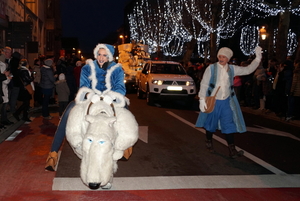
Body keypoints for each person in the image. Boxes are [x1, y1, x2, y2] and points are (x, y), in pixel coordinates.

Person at [45, 43, 126, 171]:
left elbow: (120, 87)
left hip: (110, 99)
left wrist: (111, 96)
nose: (101, 57)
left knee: (126, 112)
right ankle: (53, 154)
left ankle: (126, 146)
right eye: (99, 54)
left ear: (109, 56)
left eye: (104, 55)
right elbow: (83, 86)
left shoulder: (117, 69)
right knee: (68, 113)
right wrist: (90, 94)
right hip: (90, 98)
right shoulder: (88, 68)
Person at [195, 46, 262, 158]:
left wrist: (258, 58)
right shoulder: (211, 68)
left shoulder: (232, 69)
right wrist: (202, 99)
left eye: (224, 57)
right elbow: (204, 83)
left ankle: (232, 150)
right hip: (213, 100)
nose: (221, 58)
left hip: (227, 101)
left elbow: (248, 70)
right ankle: (209, 141)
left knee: (229, 124)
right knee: (211, 123)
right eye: (220, 56)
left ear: (228, 58)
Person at [0, 54, 13, 126]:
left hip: (3, 89)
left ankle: (4, 120)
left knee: (4, 106)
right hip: (2, 89)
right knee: (3, 106)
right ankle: (3, 120)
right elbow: (4, 81)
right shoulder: (2, 65)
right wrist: (8, 77)